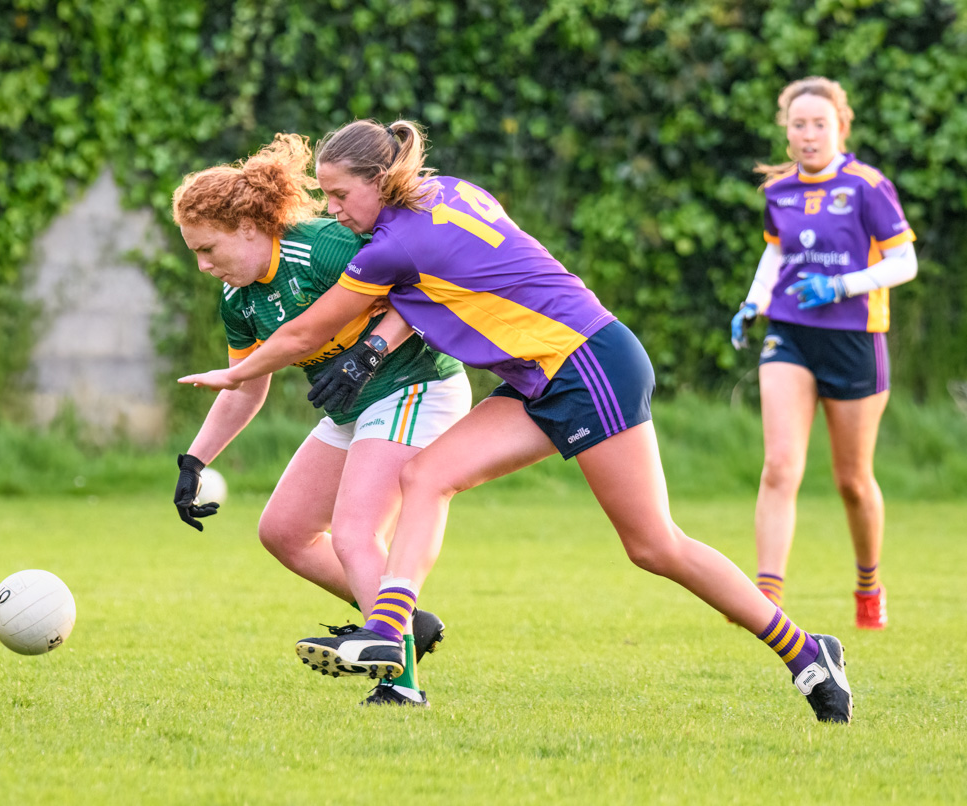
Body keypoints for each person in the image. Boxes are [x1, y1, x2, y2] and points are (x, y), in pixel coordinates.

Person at [181, 119, 853, 723]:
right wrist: (376, 346)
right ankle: (390, 628)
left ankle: (804, 649)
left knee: (653, 545)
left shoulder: (388, 245)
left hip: (589, 365)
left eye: (338, 196)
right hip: (537, 377)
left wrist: (234, 373)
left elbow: (305, 335)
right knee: (426, 476)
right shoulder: (444, 190)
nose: (329, 210)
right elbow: (447, 281)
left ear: (380, 182)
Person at [170, 133, 471, 706]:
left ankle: (400, 685)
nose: (204, 265)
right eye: (195, 254)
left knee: (356, 532)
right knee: (283, 531)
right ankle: (405, 617)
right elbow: (246, 384)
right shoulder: (239, 300)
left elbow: (426, 286)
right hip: (351, 407)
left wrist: (373, 351)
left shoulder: (325, 247)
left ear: (250, 228)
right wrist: (195, 458)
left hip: (415, 385)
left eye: (209, 249)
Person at [729, 77, 917, 630]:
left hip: (856, 339)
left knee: (852, 481)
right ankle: (767, 599)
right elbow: (775, 256)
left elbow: (904, 262)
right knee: (781, 465)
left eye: (820, 124)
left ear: (841, 126)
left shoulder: (868, 185)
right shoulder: (778, 191)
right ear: (786, 131)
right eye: (798, 125)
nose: (808, 135)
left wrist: (842, 287)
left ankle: (867, 586)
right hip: (789, 333)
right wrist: (753, 302)